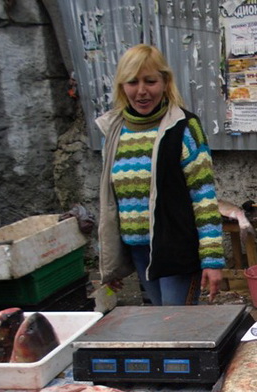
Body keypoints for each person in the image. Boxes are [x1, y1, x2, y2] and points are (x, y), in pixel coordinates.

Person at [96, 44, 225, 305]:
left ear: (165, 82)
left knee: (176, 324)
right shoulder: (113, 131)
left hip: (177, 251)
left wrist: (212, 259)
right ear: (122, 86)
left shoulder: (184, 128)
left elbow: (204, 197)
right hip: (139, 251)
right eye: (132, 82)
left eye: (150, 81)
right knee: (158, 322)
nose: (142, 91)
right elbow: (109, 203)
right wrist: (109, 261)